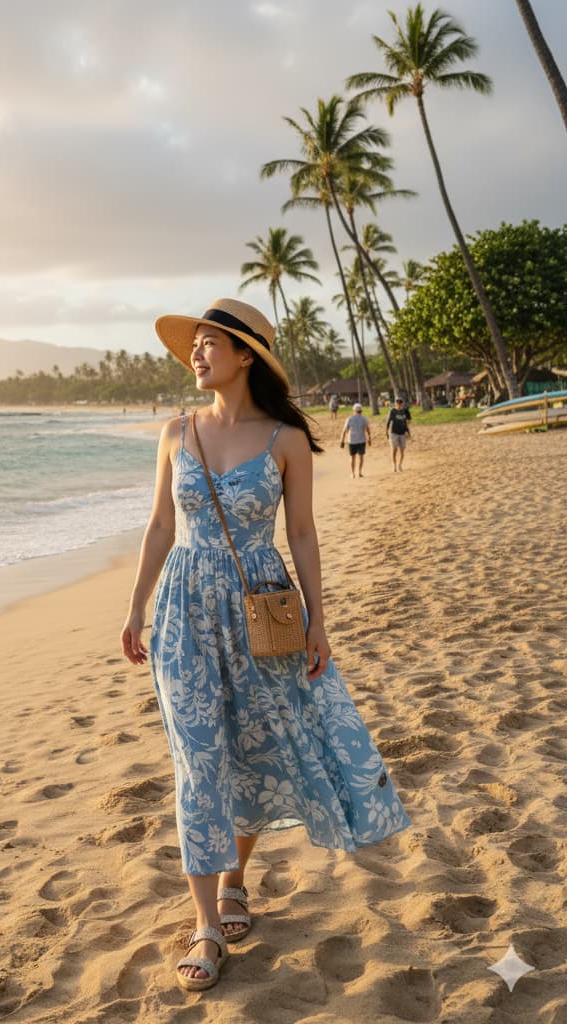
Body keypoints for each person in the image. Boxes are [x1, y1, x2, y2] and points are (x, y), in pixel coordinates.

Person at [120, 298, 411, 993]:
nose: (197, 353)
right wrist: (135, 607)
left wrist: (318, 619)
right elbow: (161, 526)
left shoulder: (283, 440)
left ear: (247, 355)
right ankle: (205, 925)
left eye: (211, 343)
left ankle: (235, 882)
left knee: (249, 752)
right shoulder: (174, 432)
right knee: (197, 762)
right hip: (186, 612)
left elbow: (303, 534)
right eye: (194, 344)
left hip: (262, 612)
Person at [340, 403, 371, 479]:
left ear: (354, 410)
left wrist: (342, 441)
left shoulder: (349, 418)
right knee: (361, 457)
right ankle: (359, 472)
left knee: (352, 457)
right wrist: (369, 439)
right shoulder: (364, 419)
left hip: (352, 441)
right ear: (361, 411)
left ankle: (353, 474)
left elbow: (344, 430)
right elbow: (368, 429)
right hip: (361, 440)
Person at [384, 397, 412, 472]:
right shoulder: (392, 411)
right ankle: (394, 465)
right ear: (395, 404)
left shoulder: (405, 411)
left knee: (402, 450)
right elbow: (388, 422)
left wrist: (407, 431)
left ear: (402, 404)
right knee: (394, 449)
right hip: (394, 433)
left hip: (402, 433)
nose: (399, 405)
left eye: (400, 404)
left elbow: (408, 421)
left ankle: (400, 465)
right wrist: (386, 432)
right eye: (397, 404)